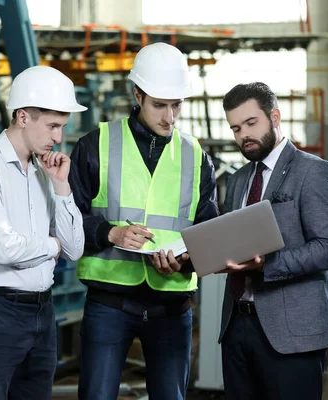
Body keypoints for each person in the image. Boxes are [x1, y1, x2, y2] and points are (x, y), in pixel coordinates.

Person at [69, 42, 219, 400]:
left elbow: (208, 234)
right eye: (159, 105)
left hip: (172, 306)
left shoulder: (197, 157)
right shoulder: (95, 145)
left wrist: (185, 261)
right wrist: (111, 232)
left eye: (176, 105)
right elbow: (69, 222)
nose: (170, 116)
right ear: (137, 94)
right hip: (109, 303)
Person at [0, 65, 87, 400]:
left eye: (61, 127)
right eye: (53, 126)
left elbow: (75, 249)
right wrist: (52, 244)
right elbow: (4, 249)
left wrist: (61, 187)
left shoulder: (46, 172)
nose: (58, 137)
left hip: (42, 311)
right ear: (23, 116)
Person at [218, 82, 328, 400]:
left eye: (251, 124)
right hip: (236, 325)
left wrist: (268, 263)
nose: (243, 135)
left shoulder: (313, 172)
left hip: (292, 333)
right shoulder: (237, 180)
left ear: (274, 117)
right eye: (236, 128)